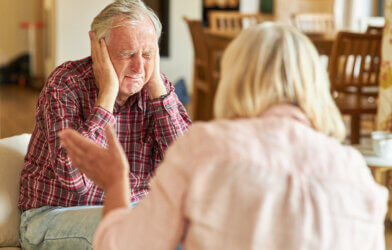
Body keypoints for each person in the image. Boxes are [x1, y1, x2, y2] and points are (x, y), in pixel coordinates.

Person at [60, 23, 388, 250]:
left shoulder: (205, 146)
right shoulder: (357, 173)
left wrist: (117, 183)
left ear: (233, 77)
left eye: (148, 53)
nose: (139, 65)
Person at [18, 0, 191, 249]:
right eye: (127, 54)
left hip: (133, 212)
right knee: (135, 233)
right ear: (97, 48)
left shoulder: (156, 88)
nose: (139, 67)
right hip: (54, 215)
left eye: (147, 54)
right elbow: (74, 180)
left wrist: (156, 87)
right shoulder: (65, 84)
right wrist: (107, 96)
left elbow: (188, 168)